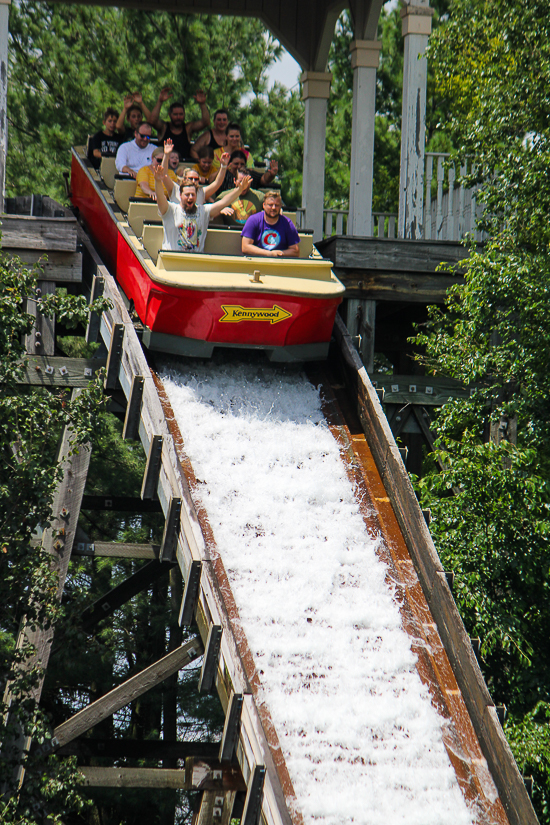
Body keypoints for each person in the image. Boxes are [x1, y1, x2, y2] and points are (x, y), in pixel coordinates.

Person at [154, 163, 253, 253]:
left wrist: (239, 190)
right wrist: (158, 181)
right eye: (187, 195)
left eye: (193, 195)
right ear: (180, 195)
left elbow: (224, 202)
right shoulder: (170, 210)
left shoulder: (203, 211)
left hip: (196, 261)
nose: (190, 197)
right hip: (172, 260)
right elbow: (160, 196)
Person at [160, 139, 231, 207]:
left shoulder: (201, 193)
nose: (193, 181)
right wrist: (166, 155)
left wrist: (223, 166)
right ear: (184, 180)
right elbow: (164, 175)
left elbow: (217, 183)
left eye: (196, 179)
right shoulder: (174, 189)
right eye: (190, 178)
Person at [148, 87, 210, 159]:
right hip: (165, 165)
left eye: (181, 114)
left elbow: (206, 122)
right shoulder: (164, 127)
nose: (178, 117)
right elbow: (152, 121)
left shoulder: (188, 128)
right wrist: (160, 101)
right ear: (169, 114)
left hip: (183, 165)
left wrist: (202, 104)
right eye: (175, 114)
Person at [241, 192, 300, 258]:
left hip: (280, 263)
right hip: (257, 262)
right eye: (270, 205)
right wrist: (269, 254)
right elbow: (245, 247)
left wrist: (279, 254)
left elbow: (295, 251)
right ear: (264, 205)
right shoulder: (253, 220)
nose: (273, 208)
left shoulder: (287, 223)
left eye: (277, 205)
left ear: (281, 206)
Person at [212, 150, 279, 195]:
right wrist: (223, 168)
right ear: (230, 164)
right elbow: (211, 180)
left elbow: (263, 179)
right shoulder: (224, 174)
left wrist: (271, 174)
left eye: (242, 164)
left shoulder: (249, 174)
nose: (239, 166)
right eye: (236, 164)